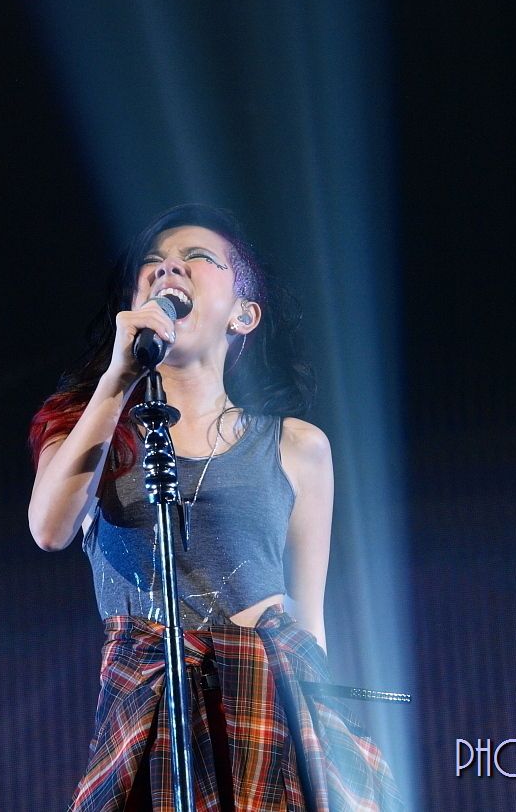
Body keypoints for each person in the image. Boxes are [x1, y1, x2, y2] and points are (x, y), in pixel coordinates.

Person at [28, 204, 400, 810]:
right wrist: (120, 376)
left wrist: (332, 744)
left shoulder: (297, 446)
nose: (167, 268)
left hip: (270, 705)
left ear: (243, 314)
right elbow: (49, 529)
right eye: (153, 264)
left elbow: (309, 622)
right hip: (150, 706)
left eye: (197, 258)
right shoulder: (85, 426)